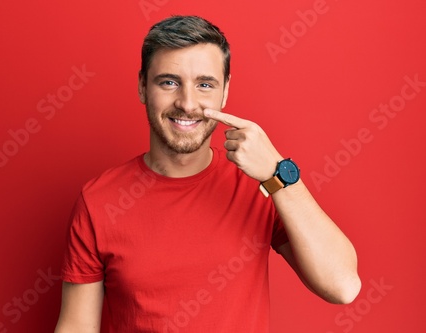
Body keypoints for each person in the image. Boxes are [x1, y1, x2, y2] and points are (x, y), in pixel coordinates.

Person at [54, 15, 361, 333]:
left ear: (225, 92)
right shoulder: (99, 201)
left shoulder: (263, 186)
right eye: (169, 82)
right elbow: (77, 326)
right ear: (143, 86)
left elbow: (342, 286)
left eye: (204, 84)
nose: (187, 104)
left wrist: (278, 173)